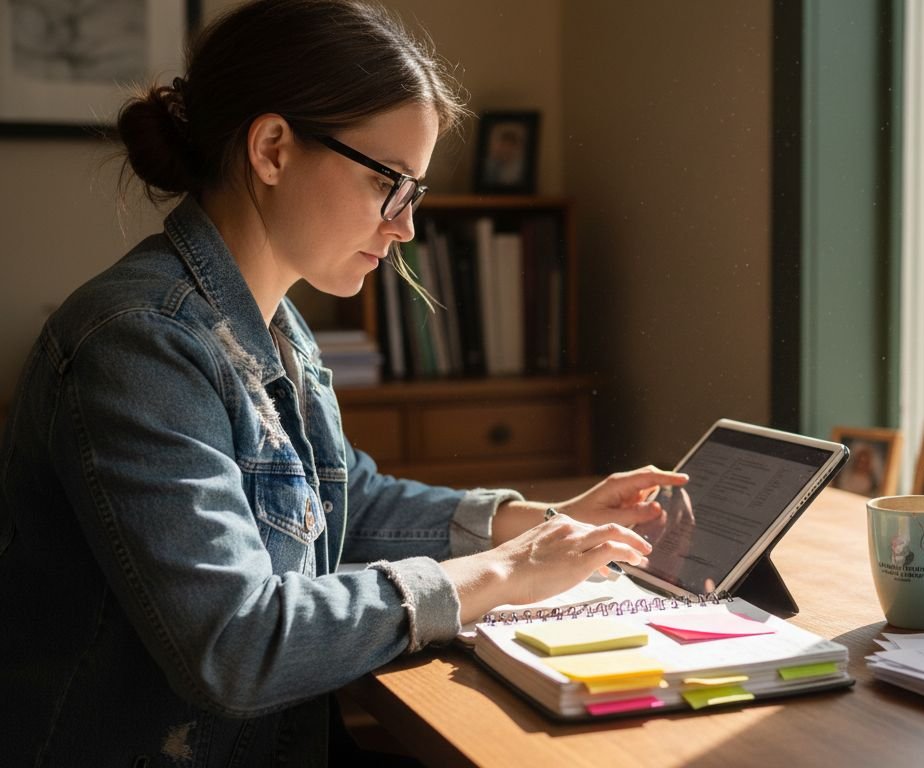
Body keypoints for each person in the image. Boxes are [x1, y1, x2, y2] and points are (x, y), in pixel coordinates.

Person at [0, 1, 686, 764]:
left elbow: (341, 504)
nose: (406, 227)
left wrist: (534, 521)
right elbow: (240, 644)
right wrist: (503, 573)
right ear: (272, 149)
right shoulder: (138, 345)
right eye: (390, 182)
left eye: (414, 192)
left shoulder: (274, 326)